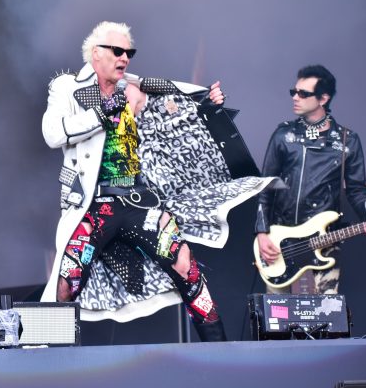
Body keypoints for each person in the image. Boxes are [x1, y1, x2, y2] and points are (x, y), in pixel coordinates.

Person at [40, 21, 239, 341]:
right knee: (67, 283)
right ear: (96, 53)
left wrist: (207, 104)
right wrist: (102, 113)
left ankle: (221, 351)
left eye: (129, 53)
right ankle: (45, 356)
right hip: (95, 206)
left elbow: (174, 113)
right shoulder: (67, 86)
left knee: (186, 266)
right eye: (117, 51)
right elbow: (52, 133)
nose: (125, 58)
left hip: (139, 202)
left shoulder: (135, 89)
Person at [255, 65, 366, 294]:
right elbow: (266, 187)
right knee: (277, 311)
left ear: (323, 98)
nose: (295, 97)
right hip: (280, 240)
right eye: (293, 91)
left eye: (303, 93)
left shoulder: (347, 140)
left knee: (328, 310)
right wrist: (261, 233)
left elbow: (356, 191)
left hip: (326, 238)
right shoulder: (284, 135)